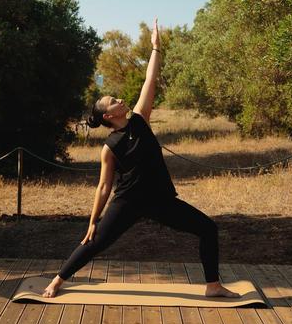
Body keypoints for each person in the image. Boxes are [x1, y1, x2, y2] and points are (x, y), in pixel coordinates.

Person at [43, 19, 238, 299]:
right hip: (128, 202)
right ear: (108, 116)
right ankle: (58, 280)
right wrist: (93, 220)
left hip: (160, 200)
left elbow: (150, 80)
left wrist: (156, 48)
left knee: (208, 229)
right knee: (94, 242)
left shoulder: (140, 120)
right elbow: (103, 187)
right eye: (113, 101)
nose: (119, 99)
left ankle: (213, 286)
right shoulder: (109, 147)